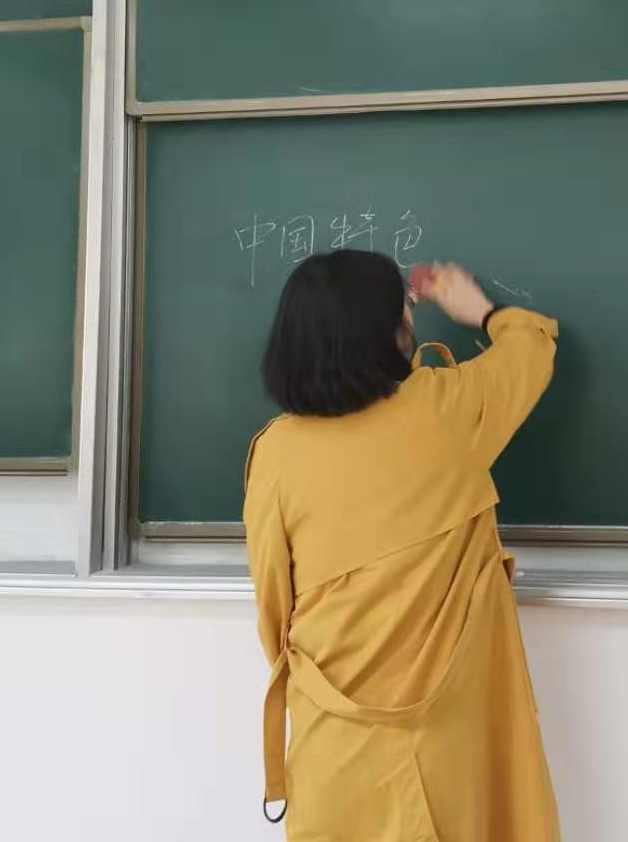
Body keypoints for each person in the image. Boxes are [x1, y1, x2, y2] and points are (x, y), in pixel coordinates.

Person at [244, 249, 561, 841]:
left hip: (336, 749)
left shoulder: (276, 456)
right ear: (387, 332)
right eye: (405, 309)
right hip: (453, 750)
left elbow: (274, 617)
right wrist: (483, 311)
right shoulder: (446, 411)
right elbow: (532, 349)